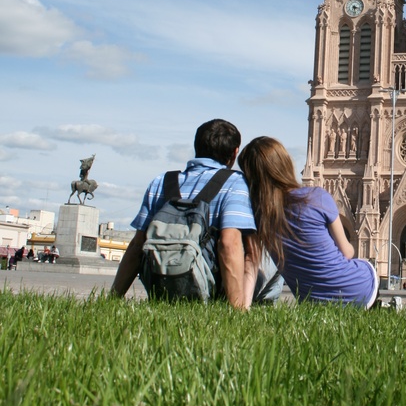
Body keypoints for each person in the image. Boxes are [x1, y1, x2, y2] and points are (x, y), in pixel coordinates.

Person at [111, 119, 260, 309]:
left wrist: (113, 298)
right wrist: (236, 310)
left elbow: (137, 245)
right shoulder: (235, 182)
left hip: (160, 289)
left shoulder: (161, 182)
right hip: (208, 293)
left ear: (196, 147)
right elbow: (229, 243)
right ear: (234, 153)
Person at [238, 136, 379, 307]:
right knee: (364, 264)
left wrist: (242, 308)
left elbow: (251, 261)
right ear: (286, 164)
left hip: (313, 302)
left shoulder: (258, 216)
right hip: (361, 290)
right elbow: (347, 252)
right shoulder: (318, 197)